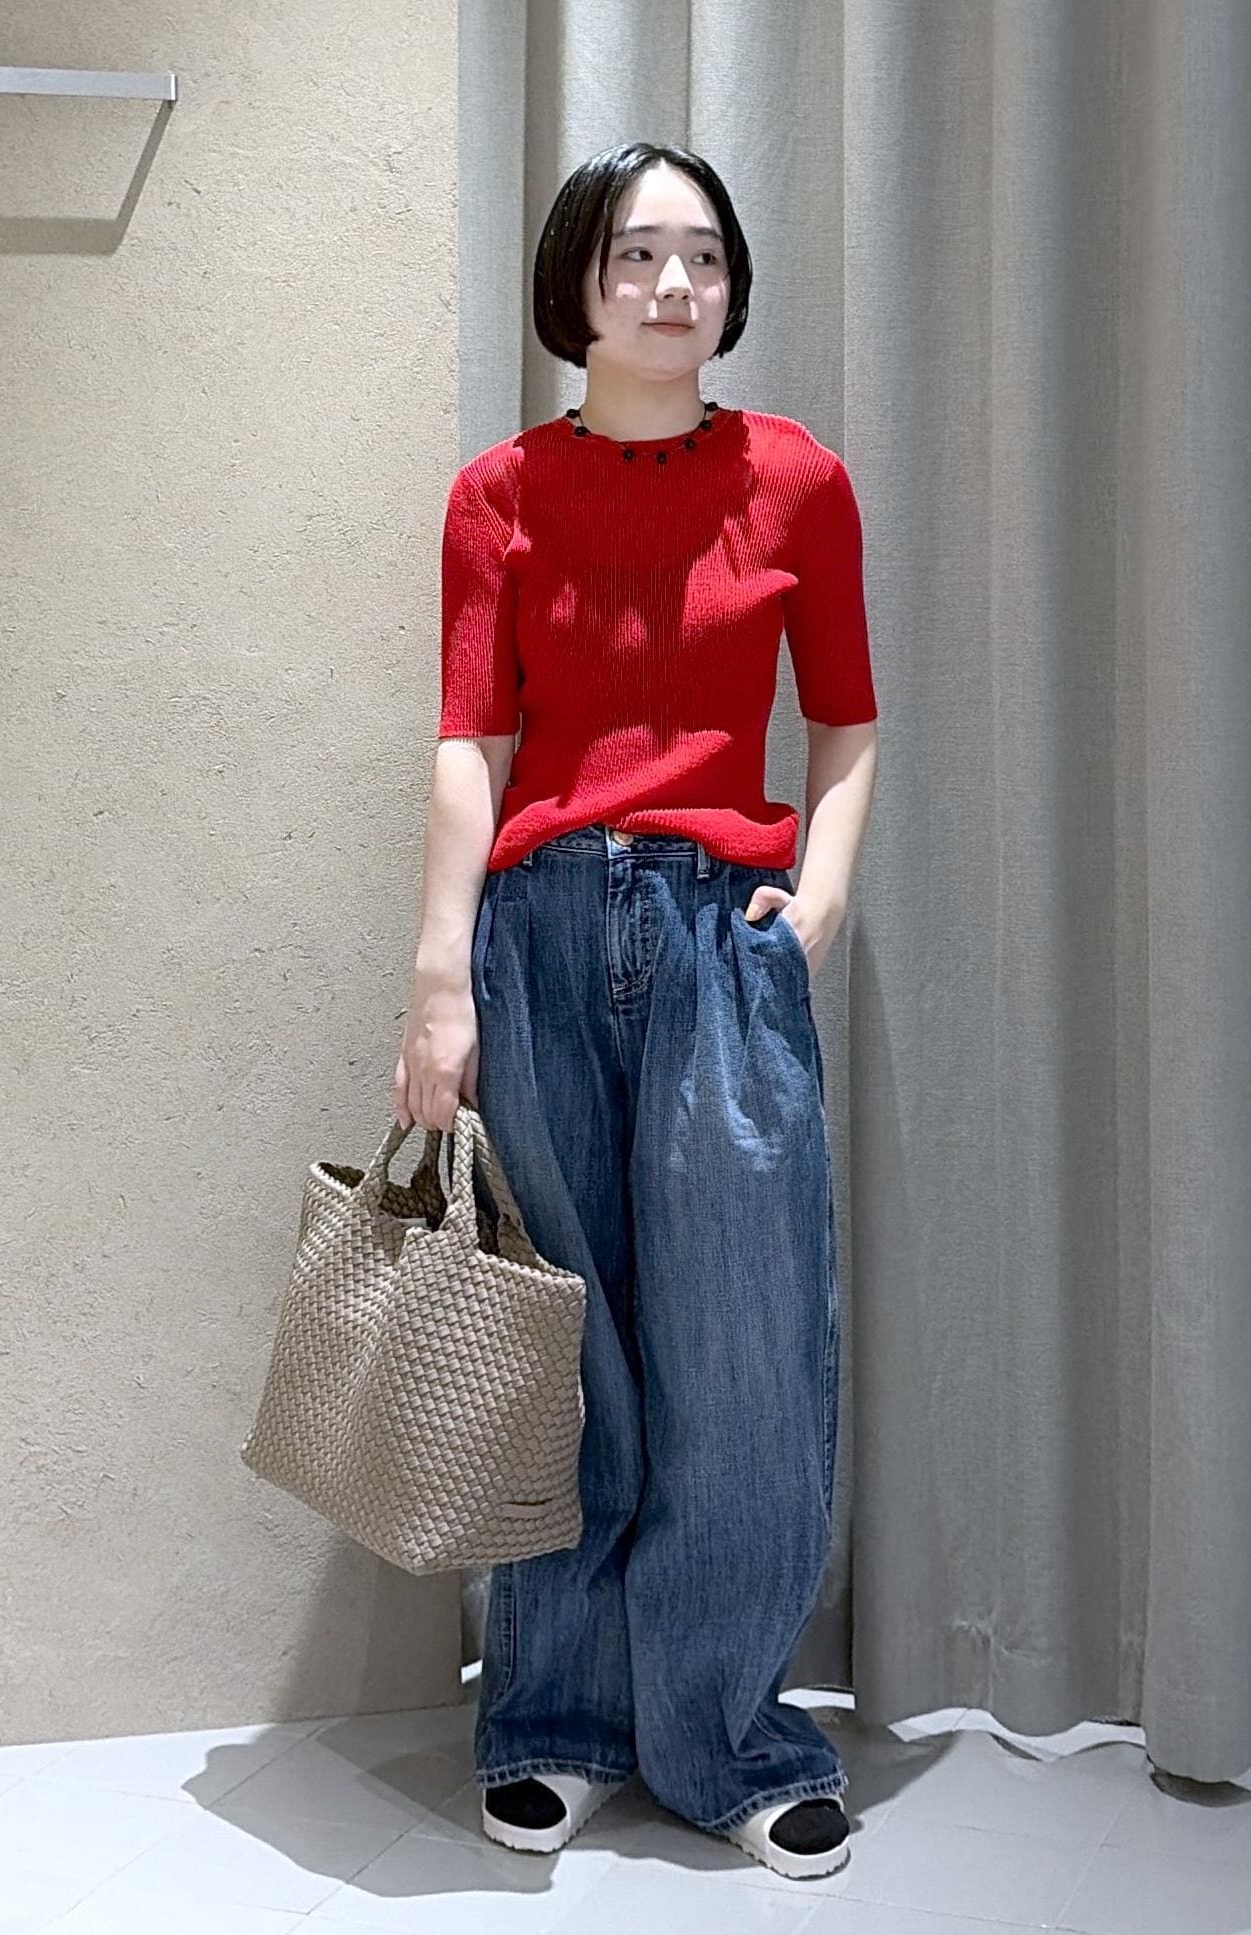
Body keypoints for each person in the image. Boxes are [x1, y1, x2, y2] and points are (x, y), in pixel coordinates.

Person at [392, 140, 879, 1882]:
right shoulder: (499, 493)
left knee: (743, 1346)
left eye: (702, 256)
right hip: (534, 931)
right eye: (634, 256)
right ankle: (554, 1721)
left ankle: (728, 1735)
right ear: (576, 285)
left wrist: (817, 902)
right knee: (564, 1351)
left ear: (731, 284)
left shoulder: (795, 480)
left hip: (716, 935)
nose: (673, 286)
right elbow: (471, 741)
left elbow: (845, 720)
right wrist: (438, 975)